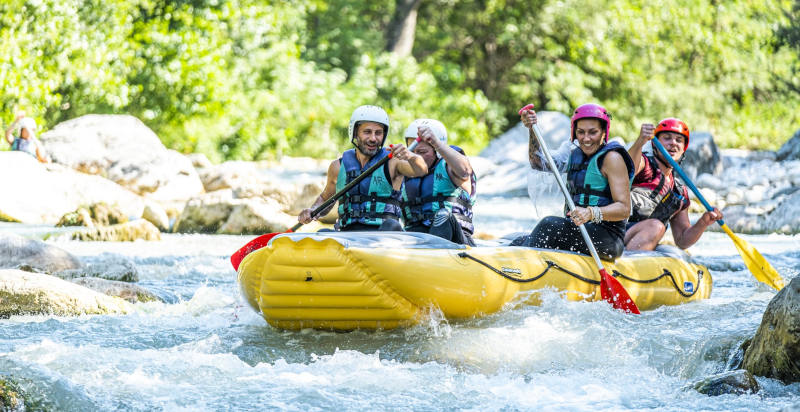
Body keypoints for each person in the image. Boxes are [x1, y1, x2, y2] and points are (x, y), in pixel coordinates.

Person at [512, 103, 634, 260]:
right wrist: (532, 129)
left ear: (604, 132)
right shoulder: (572, 153)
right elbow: (537, 162)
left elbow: (624, 209)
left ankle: (523, 269)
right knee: (519, 240)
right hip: (580, 231)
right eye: (581, 132)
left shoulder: (612, 158)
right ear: (574, 132)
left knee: (549, 225)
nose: (586, 138)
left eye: (593, 132)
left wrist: (590, 213)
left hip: (608, 238)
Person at [298, 105, 427, 231]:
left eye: (378, 133)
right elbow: (325, 199)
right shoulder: (337, 166)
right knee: (322, 233)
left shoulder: (393, 161)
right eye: (367, 132)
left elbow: (421, 169)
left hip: (385, 235)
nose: (373, 138)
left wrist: (410, 156)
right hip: (349, 235)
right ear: (355, 133)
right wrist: (313, 210)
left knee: (391, 226)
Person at [624, 118, 723, 250]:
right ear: (655, 144)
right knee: (656, 227)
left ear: (683, 149)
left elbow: (682, 240)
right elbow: (626, 168)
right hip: (617, 235)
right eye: (667, 138)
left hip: (640, 242)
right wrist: (640, 142)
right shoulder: (644, 166)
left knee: (665, 244)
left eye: (678, 140)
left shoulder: (679, 192)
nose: (673, 143)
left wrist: (703, 222)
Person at [401, 119, 477, 245]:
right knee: (390, 224)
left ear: (437, 151)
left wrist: (436, 142)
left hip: (455, 240)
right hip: (416, 239)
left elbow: (465, 171)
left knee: (443, 216)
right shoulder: (404, 168)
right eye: (412, 152)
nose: (416, 157)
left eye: (422, 152)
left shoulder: (451, 166)